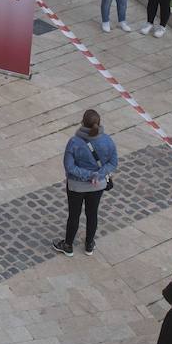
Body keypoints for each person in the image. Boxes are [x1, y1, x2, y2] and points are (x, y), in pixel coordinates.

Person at [54, 109, 118, 255]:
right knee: (92, 213)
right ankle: (89, 244)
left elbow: (69, 166)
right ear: (99, 123)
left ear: (82, 123)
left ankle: (68, 245)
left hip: (76, 186)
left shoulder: (74, 142)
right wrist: (97, 175)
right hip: (98, 185)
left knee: (74, 214)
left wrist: (87, 175)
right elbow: (113, 163)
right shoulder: (107, 140)